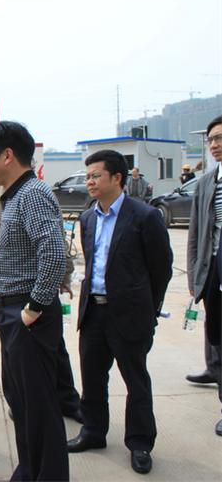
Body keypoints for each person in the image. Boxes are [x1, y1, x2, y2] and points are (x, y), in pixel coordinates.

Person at [67, 149, 172, 475]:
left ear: (117, 177)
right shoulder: (87, 218)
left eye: (95, 175)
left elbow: (161, 268)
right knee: (93, 378)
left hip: (129, 314)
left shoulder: (144, 216)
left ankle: (140, 442)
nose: (89, 182)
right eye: (87, 176)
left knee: (135, 381)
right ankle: (93, 431)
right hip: (93, 312)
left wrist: (149, 310)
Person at [0, 121, 68, 481]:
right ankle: (30, 471)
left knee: (38, 406)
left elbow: (54, 254)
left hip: (26, 316)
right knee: (22, 403)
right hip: (12, 311)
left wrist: (33, 308)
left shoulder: (32, 193)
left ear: (7, 155)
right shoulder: (16, 195)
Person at [0, 185, 83, 424]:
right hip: (5, 294)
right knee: (12, 355)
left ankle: (66, 401)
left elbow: (55, 244)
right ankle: (19, 404)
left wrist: (62, 277)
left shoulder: (33, 195)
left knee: (54, 351)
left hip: (36, 291)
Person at [186, 115, 222, 436]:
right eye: (211, 139)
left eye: (219, 138)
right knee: (216, 331)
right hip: (213, 267)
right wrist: (195, 275)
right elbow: (196, 233)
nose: (214, 145)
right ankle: (216, 372)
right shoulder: (207, 182)